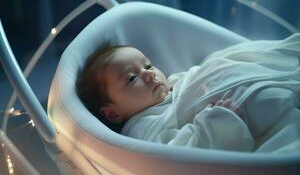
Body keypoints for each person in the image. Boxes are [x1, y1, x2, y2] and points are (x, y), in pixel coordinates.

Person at [77, 35, 300, 153]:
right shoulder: (143, 129)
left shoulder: (174, 85)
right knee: (267, 101)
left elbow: (195, 79)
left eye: (148, 65)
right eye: (132, 78)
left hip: (241, 79)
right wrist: (219, 123)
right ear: (113, 114)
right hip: (239, 112)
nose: (148, 75)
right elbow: (182, 157)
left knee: (228, 61)